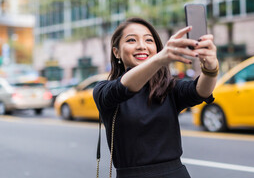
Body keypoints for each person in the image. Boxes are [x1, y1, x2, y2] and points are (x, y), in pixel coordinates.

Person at [93, 17, 219, 178]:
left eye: (149, 40)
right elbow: (123, 87)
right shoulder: (103, 90)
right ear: (116, 52)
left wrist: (211, 66)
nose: (141, 46)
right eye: (131, 40)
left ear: (156, 48)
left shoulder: (168, 88)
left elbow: (201, 91)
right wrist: (159, 59)